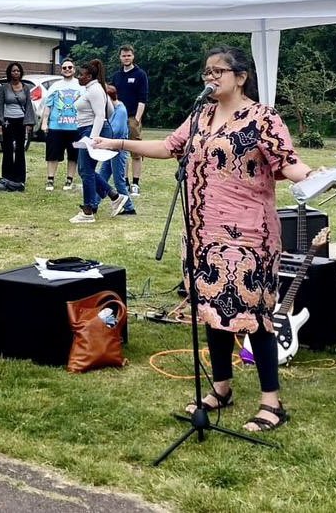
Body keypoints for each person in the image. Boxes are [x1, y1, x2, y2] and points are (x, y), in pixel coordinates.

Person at [94, 45, 316, 432]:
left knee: (256, 317)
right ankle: (221, 388)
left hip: (250, 235)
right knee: (212, 312)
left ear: (240, 77)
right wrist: (118, 144)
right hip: (202, 232)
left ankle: (271, 402)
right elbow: (168, 147)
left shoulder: (263, 117)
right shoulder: (201, 114)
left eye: (218, 71)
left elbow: (288, 161)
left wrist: (315, 177)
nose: (210, 78)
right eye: (206, 72)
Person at [70, 59, 127, 224]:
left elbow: (101, 115)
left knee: (86, 171)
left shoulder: (95, 90)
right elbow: (110, 109)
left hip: (91, 131)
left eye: (81, 74)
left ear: (89, 76)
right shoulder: (94, 89)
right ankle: (114, 196)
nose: (78, 77)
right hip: (87, 130)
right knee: (85, 169)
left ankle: (88, 211)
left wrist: (93, 138)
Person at [110, 44, 149, 196]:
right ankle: (124, 181)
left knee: (136, 151)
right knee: (121, 151)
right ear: (120, 57)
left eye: (129, 55)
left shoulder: (140, 74)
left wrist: (137, 119)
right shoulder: (116, 76)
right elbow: (112, 98)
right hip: (119, 117)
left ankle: (135, 183)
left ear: (133, 56)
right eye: (123, 55)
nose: (126, 58)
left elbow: (142, 98)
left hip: (133, 117)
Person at [40, 59, 83, 192]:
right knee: (52, 155)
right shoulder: (55, 86)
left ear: (74, 69)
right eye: (64, 68)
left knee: (73, 155)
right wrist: (44, 122)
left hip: (75, 127)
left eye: (70, 67)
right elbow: (48, 106)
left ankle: (69, 179)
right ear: (61, 70)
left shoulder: (81, 85)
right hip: (56, 127)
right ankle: (50, 179)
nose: (67, 69)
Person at [0, 63, 35, 185]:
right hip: (7, 120)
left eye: (18, 71)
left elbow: (28, 105)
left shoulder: (25, 88)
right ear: (9, 73)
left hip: (21, 120)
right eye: (13, 71)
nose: (16, 73)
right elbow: (0, 105)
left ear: (21, 73)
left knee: (20, 149)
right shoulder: (4, 88)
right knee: (7, 148)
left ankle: (19, 177)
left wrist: (29, 123)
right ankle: (7, 176)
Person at [95, 85, 135, 214]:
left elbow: (115, 130)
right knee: (103, 176)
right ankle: (93, 204)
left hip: (118, 150)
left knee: (118, 181)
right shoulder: (114, 110)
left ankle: (129, 208)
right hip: (110, 148)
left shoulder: (120, 110)